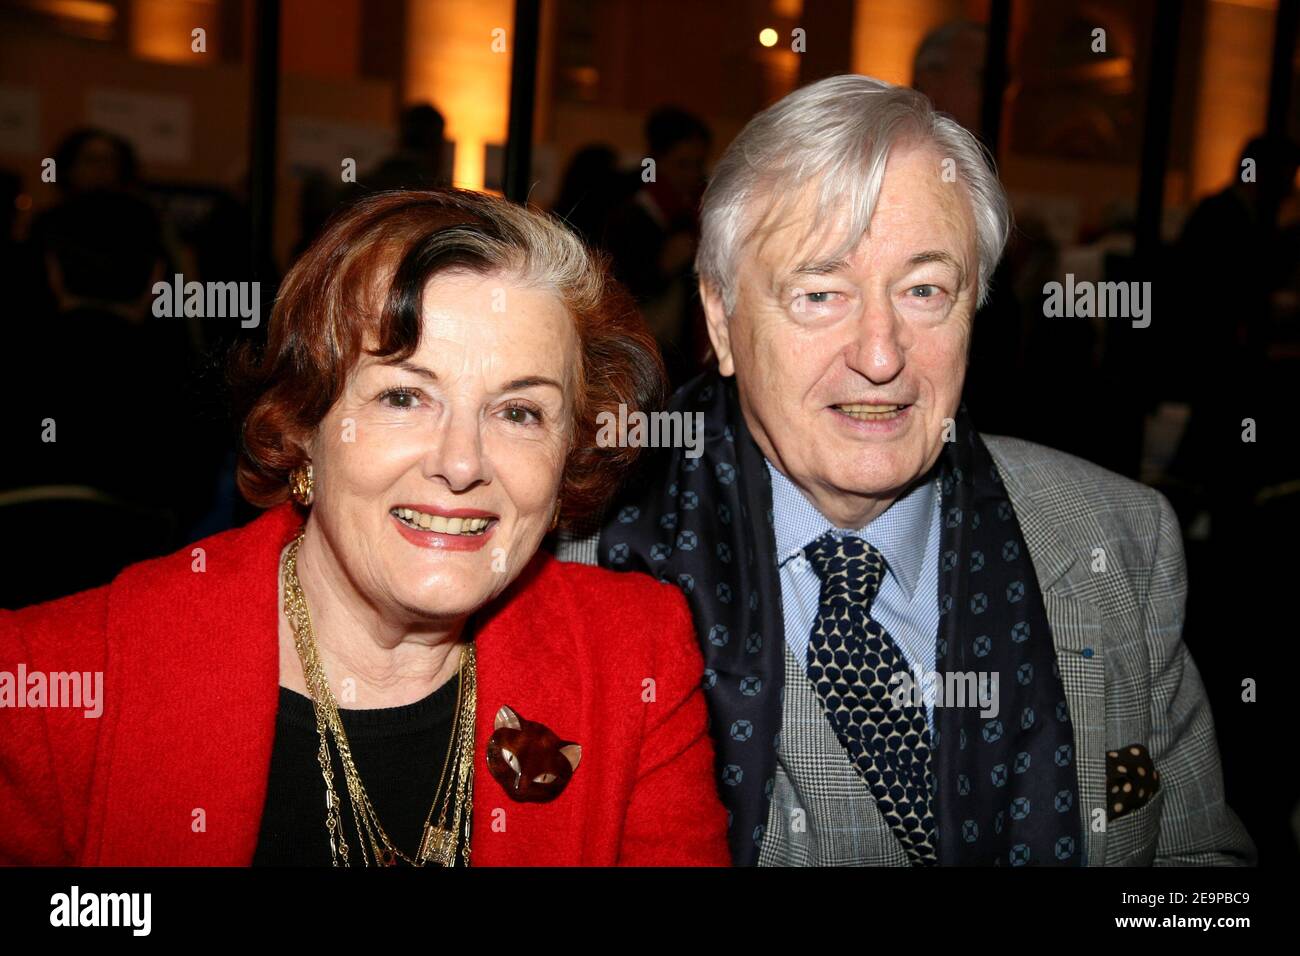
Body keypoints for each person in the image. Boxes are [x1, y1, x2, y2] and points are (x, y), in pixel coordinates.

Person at [558, 75, 1255, 867]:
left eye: (925, 290)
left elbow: (1203, 875)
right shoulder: (582, 566)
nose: (881, 355)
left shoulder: (1116, 541)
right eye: (821, 294)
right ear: (720, 318)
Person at [0, 188, 730, 867]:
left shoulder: (637, 657)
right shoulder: (56, 685)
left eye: (519, 411)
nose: (462, 462)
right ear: (302, 425)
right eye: (405, 397)